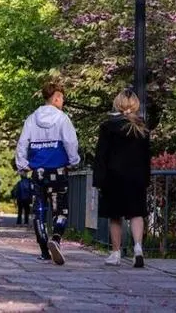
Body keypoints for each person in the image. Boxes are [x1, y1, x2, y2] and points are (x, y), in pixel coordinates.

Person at [15, 80, 80, 265]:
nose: (63, 103)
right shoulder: (62, 118)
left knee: (39, 210)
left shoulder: (31, 118)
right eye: (62, 99)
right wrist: (74, 161)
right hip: (58, 169)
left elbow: (22, 143)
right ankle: (56, 238)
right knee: (61, 209)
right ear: (57, 98)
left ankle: (44, 250)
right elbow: (70, 142)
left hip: (38, 171)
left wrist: (23, 164)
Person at [93, 89, 151, 268]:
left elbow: (101, 155)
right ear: (135, 105)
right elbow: (146, 157)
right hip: (136, 177)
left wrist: (99, 179)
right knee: (136, 213)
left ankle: (116, 252)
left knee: (115, 216)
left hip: (113, 177)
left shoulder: (108, 127)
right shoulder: (141, 128)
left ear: (117, 104)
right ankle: (138, 248)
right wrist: (145, 178)